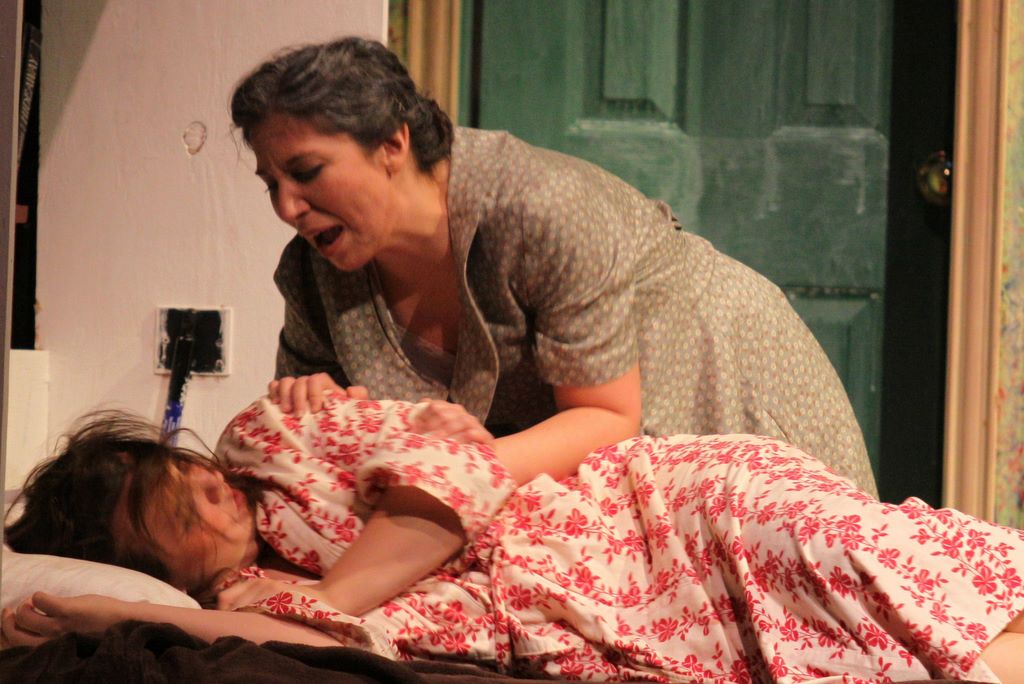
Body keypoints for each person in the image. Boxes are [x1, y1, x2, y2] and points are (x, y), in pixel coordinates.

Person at [228, 37, 877, 494]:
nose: (287, 207)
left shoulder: (539, 208)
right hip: (560, 478)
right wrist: (320, 410)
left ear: (391, 144)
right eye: (271, 183)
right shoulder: (315, 275)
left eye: (307, 172)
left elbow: (605, 416)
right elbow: (310, 448)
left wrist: (445, 478)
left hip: (712, 378)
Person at [4, 394, 1023, 682]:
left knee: (841, 553)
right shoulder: (244, 604)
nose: (210, 495)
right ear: (151, 561)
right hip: (594, 622)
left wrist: (342, 584)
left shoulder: (273, 437)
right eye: (179, 518)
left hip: (643, 513)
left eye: (187, 475)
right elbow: (312, 646)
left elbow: (453, 455)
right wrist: (116, 614)